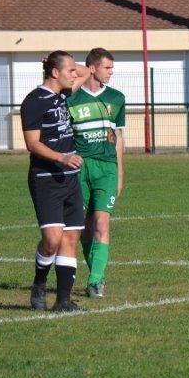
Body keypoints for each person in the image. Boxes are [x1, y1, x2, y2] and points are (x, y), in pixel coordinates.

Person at [21, 51, 92, 311]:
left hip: (70, 179)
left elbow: (86, 72)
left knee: (70, 239)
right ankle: (39, 282)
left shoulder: (63, 94)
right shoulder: (34, 101)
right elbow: (32, 144)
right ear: (55, 73)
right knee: (51, 240)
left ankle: (63, 301)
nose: (76, 74)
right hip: (45, 178)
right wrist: (62, 158)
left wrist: (62, 61)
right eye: (69, 70)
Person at [67, 48, 127, 297]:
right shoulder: (71, 99)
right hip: (81, 168)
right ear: (92, 68)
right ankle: (96, 273)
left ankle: (95, 281)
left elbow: (119, 137)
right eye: (106, 67)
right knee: (84, 226)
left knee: (102, 222)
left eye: (112, 68)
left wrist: (120, 172)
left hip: (107, 168)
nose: (111, 72)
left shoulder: (117, 98)